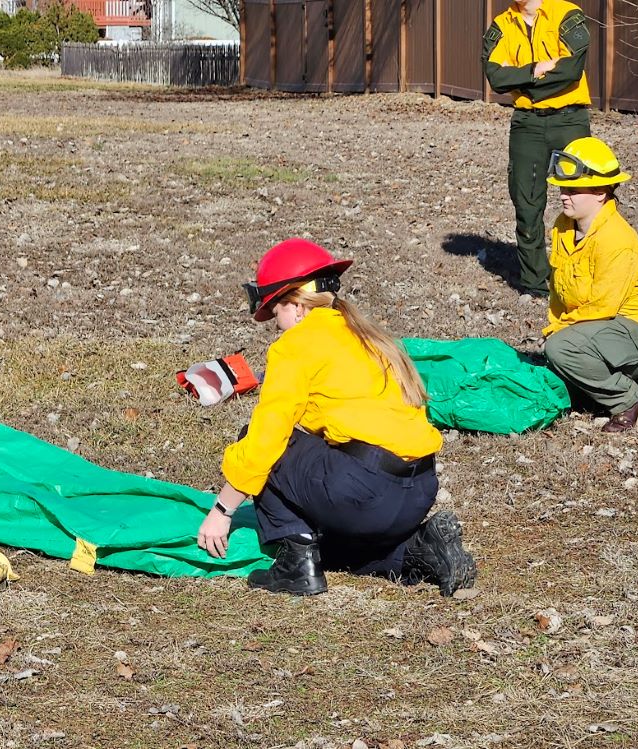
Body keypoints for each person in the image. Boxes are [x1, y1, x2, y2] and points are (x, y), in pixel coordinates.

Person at [196, 238, 476, 597]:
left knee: (255, 435)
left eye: (276, 313)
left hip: (366, 491)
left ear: (296, 306)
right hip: (418, 491)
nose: (276, 326)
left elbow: (265, 440)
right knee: (331, 549)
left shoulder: (296, 346)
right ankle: (421, 547)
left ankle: (296, 562)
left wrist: (222, 510)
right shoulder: (370, 336)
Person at [542, 137, 638, 432]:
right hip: (600, 329)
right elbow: (558, 289)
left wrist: (560, 336)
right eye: (562, 189)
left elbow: (604, 306)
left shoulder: (616, 240)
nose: (564, 196)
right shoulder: (562, 226)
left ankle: (630, 399)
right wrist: (556, 325)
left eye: (573, 190)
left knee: (561, 350)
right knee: (558, 354)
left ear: (601, 192)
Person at [482, 0, 591, 297]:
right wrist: (535, 70)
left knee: (583, 196)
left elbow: (571, 69)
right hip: (527, 124)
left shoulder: (567, 14)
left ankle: (583, 272)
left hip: (570, 119)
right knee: (526, 200)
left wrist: (520, 81)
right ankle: (534, 281)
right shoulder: (502, 25)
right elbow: (494, 76)